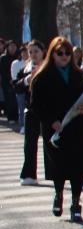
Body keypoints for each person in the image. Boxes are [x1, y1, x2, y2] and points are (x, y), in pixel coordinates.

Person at [29, 37, 83, 222]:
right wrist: (50, 121)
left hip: (77, 128)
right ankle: (58, 195)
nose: (64, 56)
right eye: (60, 53)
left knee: (77, 166)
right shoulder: (42, 77)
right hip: (56, 129)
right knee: (58, 165)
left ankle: (76, 202)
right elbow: (36, 105)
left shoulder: (80, 75)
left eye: (67, 53)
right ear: (52, 54)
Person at [16, 41, 45, 185]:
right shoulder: (25, 69)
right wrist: (27, 80)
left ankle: (58, 171)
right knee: (30, 143)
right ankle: (29, 173)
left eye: (36, 51)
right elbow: (16, 86)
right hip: (31, 110)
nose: (33, 54)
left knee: (52, 142)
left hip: (48, 110)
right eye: (31, 52)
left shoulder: (49, 68)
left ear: (42, 52)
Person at [2, 40, 21, 122]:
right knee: (9, 100)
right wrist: (9, 79)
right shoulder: (3, 58)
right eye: (11, 46)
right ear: (7, 47)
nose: (12, 48)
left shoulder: (18, 57)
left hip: (17, 81)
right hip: (7, 82)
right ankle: (11, 117)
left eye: (14, 46)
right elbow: (2, 71)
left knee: (17, 100)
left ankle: (17, 117)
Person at [11, 45, 28, 134]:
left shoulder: (30, 63)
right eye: (24, 52)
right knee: (21, 107)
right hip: (20, 88)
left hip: (29, 89)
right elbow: (14, 77)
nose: (25, 54)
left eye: (27, 52)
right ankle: (22, 125)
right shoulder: (16, 63)